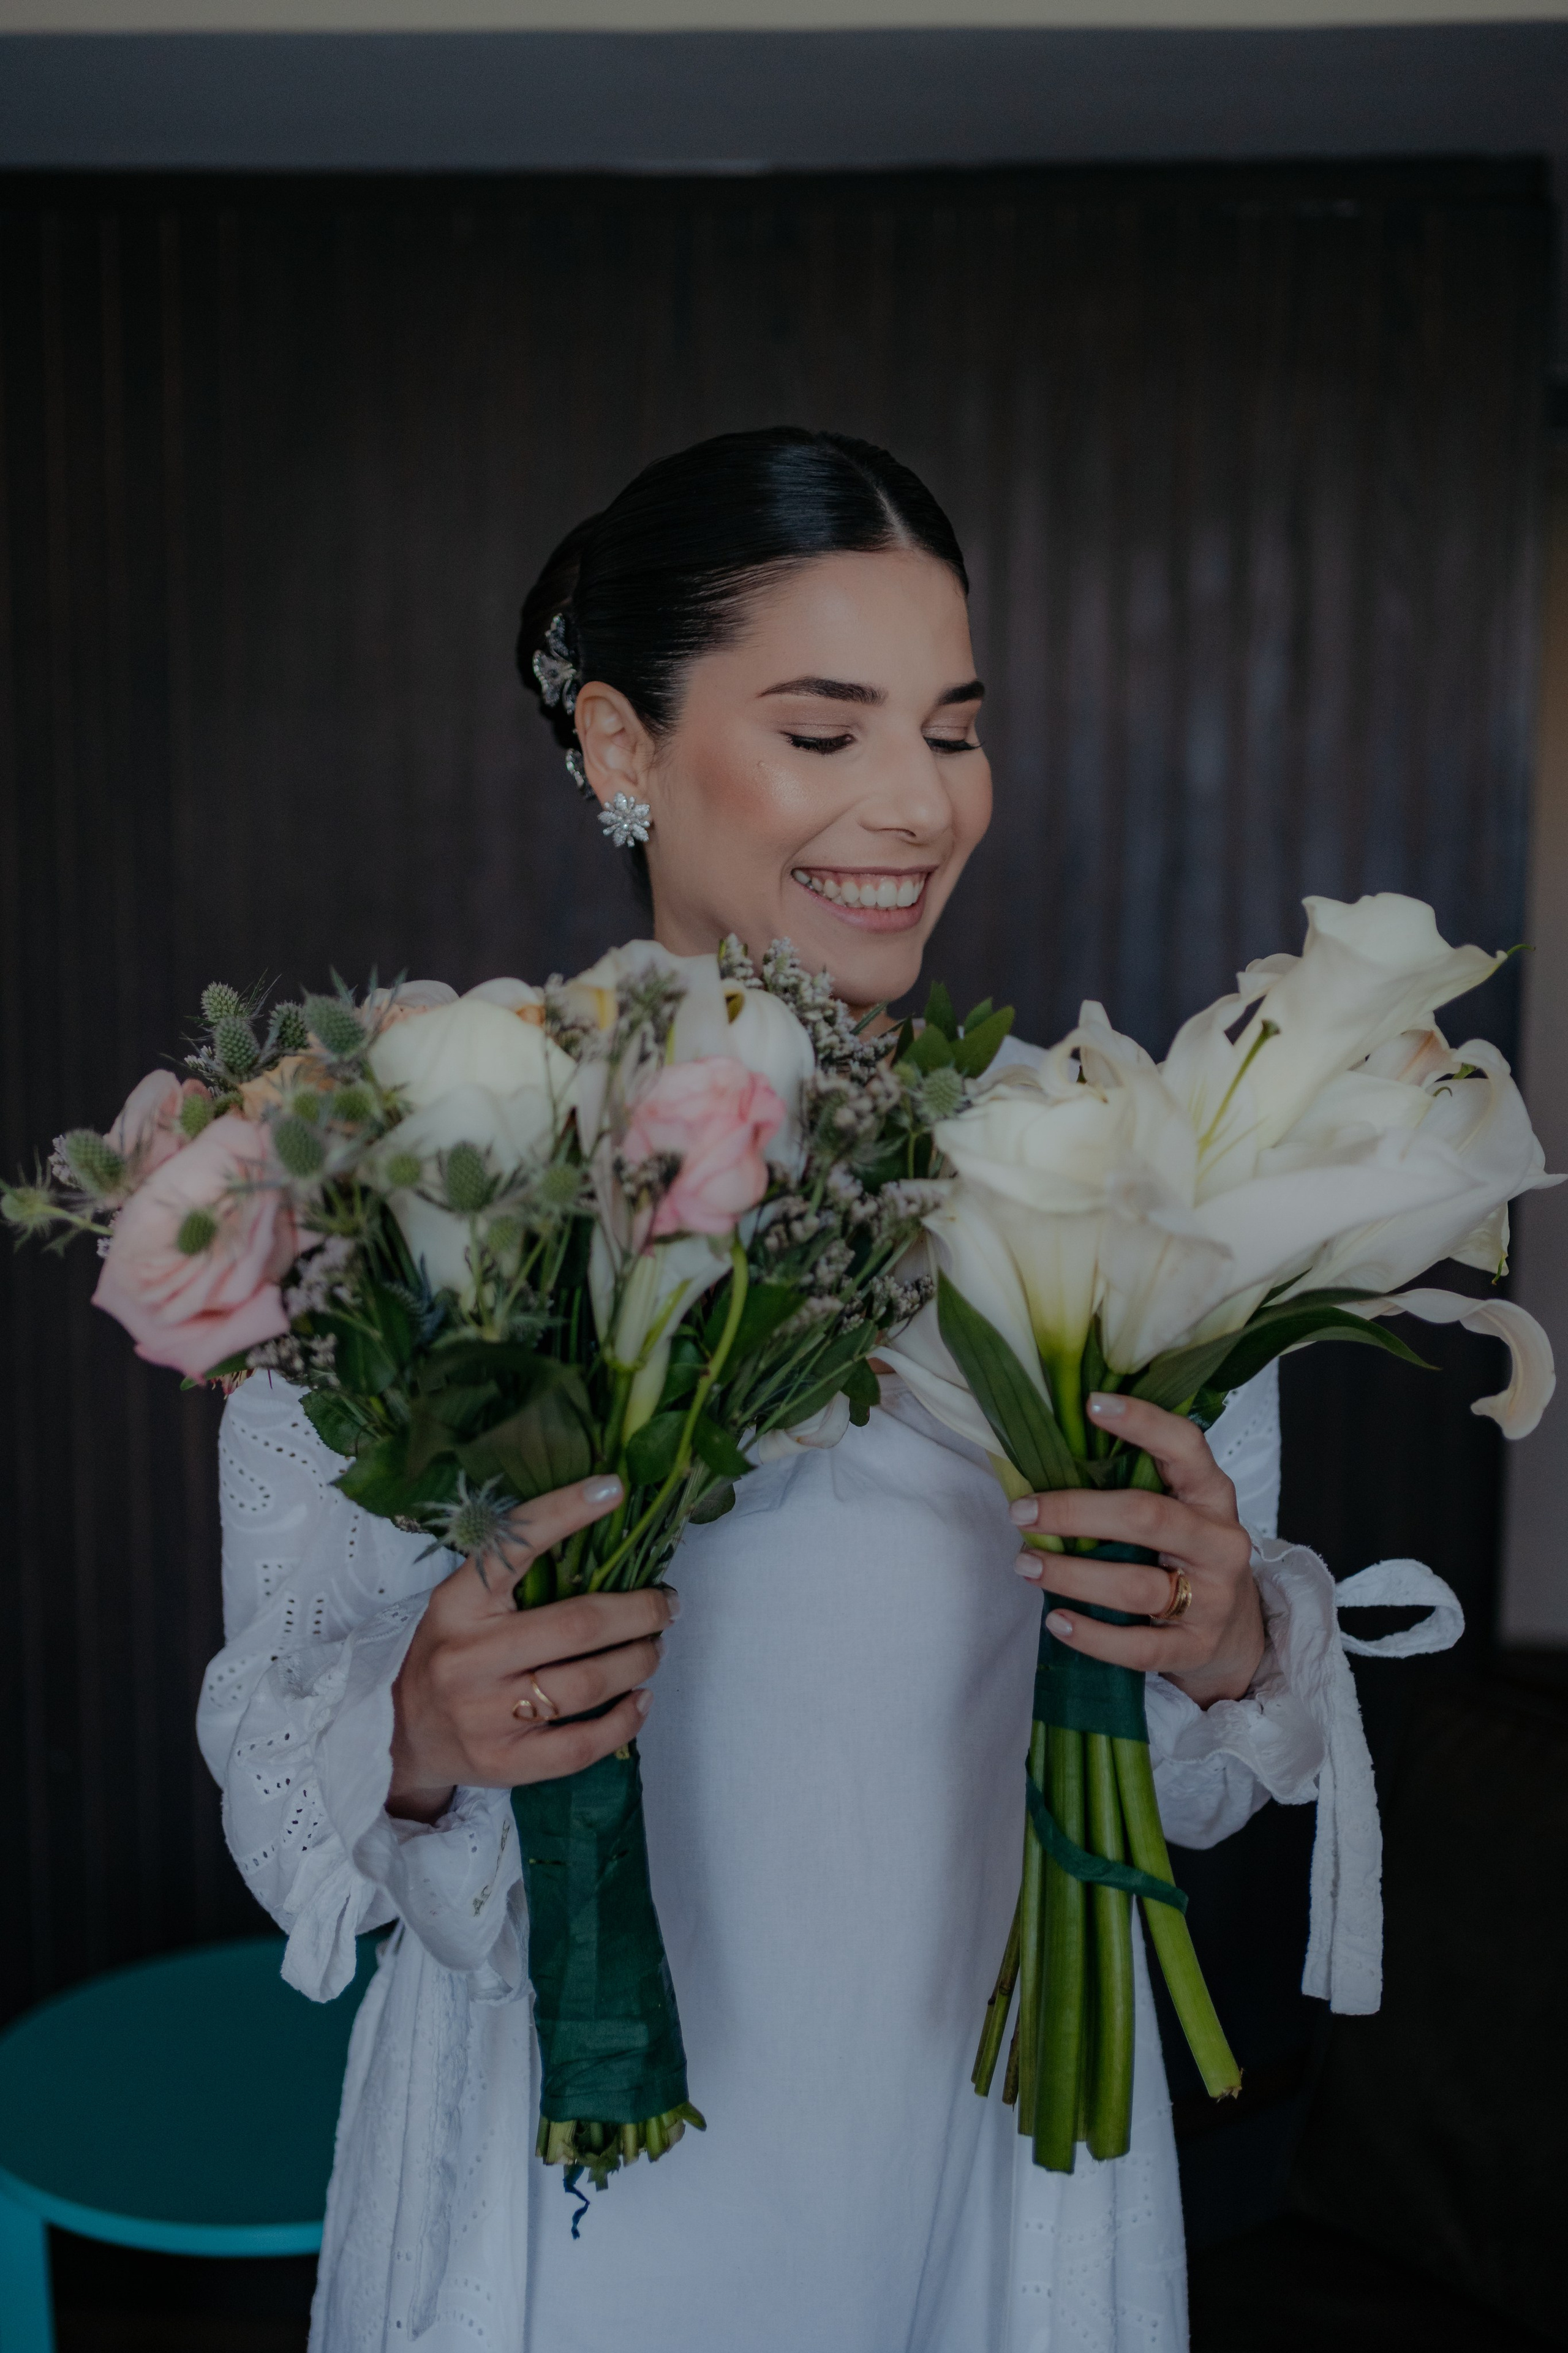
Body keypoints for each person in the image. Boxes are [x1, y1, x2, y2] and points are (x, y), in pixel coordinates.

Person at [199, 429, 1390, 2353]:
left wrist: (1228, 1642)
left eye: (953, 726)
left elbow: (1188, 1787)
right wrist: (413, 1730)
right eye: (826, 731)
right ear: (619, 745)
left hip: (988, 2125)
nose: (917, 804)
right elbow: (284, 1738)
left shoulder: (1098, 1179)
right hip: (561, 2145)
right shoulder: (432, 1162)